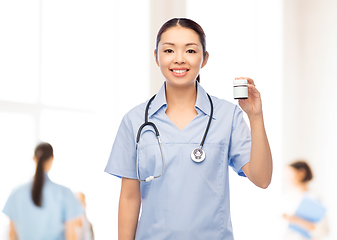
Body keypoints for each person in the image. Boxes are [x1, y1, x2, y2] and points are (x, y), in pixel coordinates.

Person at [105, 18, 272, 239]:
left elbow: (262, 179)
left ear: (204, 59)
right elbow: (129, 197)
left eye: (191, 50)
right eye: (169, 50)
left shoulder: (227, 116)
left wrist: (255, 116)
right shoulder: (134, 120)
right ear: (156, 56)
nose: (179, 59)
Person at [2, 142, 83, 240]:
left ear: (34, 159)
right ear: (52, 159)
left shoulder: (16, 193)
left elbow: (12, 235)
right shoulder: (64, 193)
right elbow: (71, 236)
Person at [282, 160, 329, 240]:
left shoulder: (313, 198)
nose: (287, 179)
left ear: (302, 173)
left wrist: (295, 220)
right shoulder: (287, 196)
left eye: (290, 175)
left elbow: (323, 230)